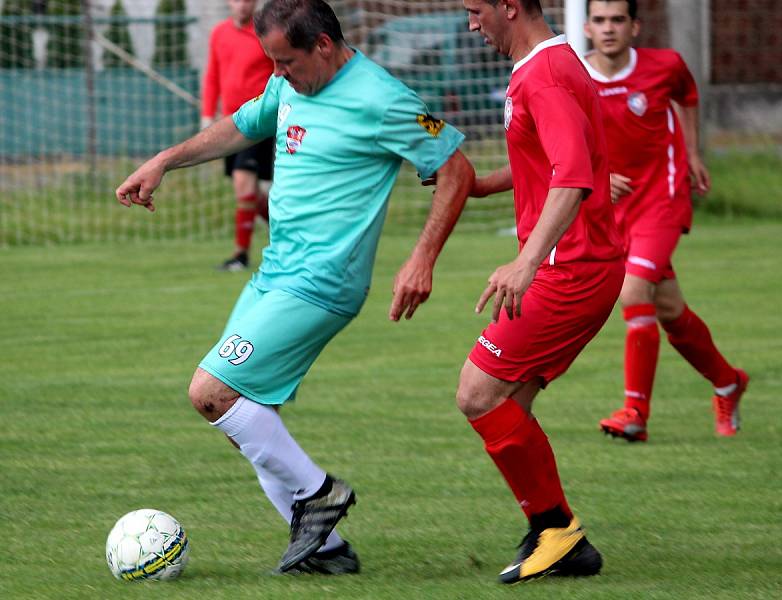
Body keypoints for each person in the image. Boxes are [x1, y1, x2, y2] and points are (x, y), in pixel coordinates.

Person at [117, 0, 474, 575]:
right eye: (272, 62)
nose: (278, 73)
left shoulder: (382, 98)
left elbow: (455, 167)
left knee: (211, 392)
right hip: (275, 273)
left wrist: (421, 258)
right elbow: (240, 124)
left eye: (287, 61)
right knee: (246, 416)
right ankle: (325, 552)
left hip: (323, 281)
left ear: (324, 46)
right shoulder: (289, 87)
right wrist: (165, 159)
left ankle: (321, 494)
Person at [457, 0, 624, 585]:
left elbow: (573, 174)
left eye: (476, 10)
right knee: (508, 409)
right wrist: (481, 186)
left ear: (510, 6)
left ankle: (557, 529)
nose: (471, 23)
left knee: (478, 392)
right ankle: (556, 534)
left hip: (569, 268)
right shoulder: (542, 65)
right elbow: (548, 160)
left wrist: (526, 261)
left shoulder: (546, 73)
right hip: (580, 263)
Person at [582, 0, 748, 442]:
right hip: (615, 210)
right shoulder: (576, 77)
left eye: (618, 19)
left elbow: (688, 95)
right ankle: (729, 383)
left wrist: (693, 152)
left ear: (634, 27)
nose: (609, 28)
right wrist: (597, 182)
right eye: (600, 20)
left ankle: (635, 413)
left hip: (662, 197)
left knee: (632, 292)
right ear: (587, 27)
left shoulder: (665, 66)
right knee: (669, 310)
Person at [202, 0, 275, 271]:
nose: (241, 5)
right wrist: (207, 115)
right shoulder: (219, 33)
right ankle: (289, 228)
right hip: (228, 124)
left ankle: (240, 256)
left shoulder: (267, 32)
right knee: (250, 192)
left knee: (244, 184)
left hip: (259, 120)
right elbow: (212, 76)